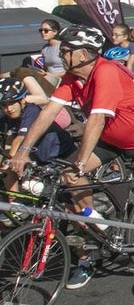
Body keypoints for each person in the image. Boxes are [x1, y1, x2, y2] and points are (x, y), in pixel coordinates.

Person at [9, 26, 134, 293]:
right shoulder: (71, 78)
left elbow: (97, 120)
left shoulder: (106, 72)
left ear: (84, 54)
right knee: (71, 180)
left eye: (66, 50)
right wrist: (23, 150)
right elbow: (48, 112)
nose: (61, 54)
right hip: (111, 140)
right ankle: (98, 229)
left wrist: (80, 160)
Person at [0, 76, 75, 212]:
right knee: (9, 170)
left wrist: (9, 158)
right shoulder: (8, 118)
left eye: (12, 103)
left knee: (64, 203)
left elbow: (20, 138)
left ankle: (87, 224)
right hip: (38, 157)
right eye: (4, 105)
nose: (9, 108)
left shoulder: (31, 110)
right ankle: (15, 205)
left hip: (59, 156)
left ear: (23, 100)